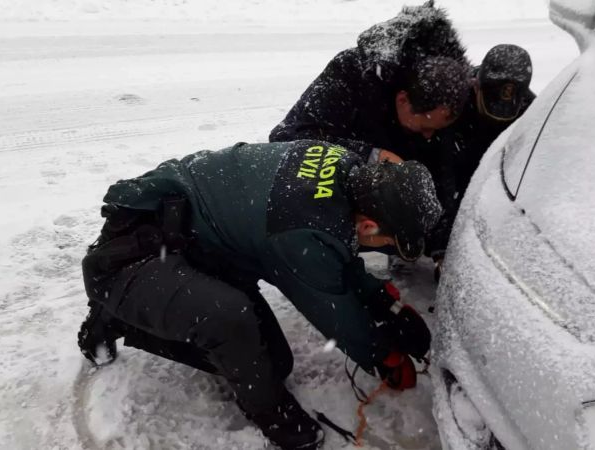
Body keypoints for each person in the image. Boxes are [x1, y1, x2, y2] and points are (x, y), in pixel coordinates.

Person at [76, 140, 440, 449]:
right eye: (387, 243)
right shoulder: (301, 233)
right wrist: (382, 355)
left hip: (193, 245)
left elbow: (338, 261)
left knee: (273, 363)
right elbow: (333, 308)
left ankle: (148, 308)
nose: (382, 249)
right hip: (134, 255)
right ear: (369, 224)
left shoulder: (344, 167)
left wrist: (386, 305)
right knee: (230, 321)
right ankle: (118, 315)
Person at [269, 1, 472, 165]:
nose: (429, 136)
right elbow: (286, 139)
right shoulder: (352, 71)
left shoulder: (454, 92)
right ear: (403, 100)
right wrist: (369, 156)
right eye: (424, 127)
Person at [426, 44, 536, 275]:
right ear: (476, 86)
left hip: (497, 183)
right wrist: (442, 248)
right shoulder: (453, 104)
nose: (497, 117)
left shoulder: (532, 110)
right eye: (491, 106)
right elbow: (441, 175)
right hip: (457, 172)